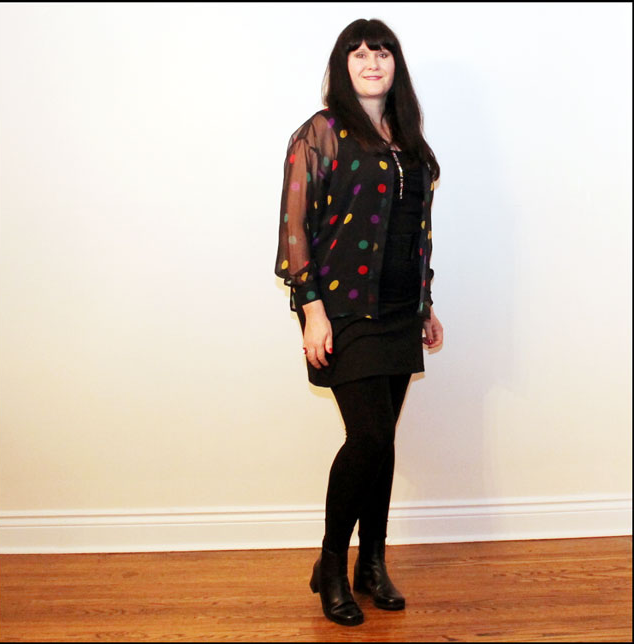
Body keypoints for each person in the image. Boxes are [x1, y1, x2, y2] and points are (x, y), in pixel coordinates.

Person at [274, 18, 444, 627]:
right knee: (367, 438)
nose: (373, 62)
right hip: (345, 306)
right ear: (343, 65)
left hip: (399, 307)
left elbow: (415, 226)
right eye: (360, 53)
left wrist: (425, 302)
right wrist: (311, 310)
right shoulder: (319, 133)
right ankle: (331, 566)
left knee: (383, 443)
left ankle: (372, 562)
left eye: (383, 52)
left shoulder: (408, 136)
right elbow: (295, 227)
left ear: (396, 64)